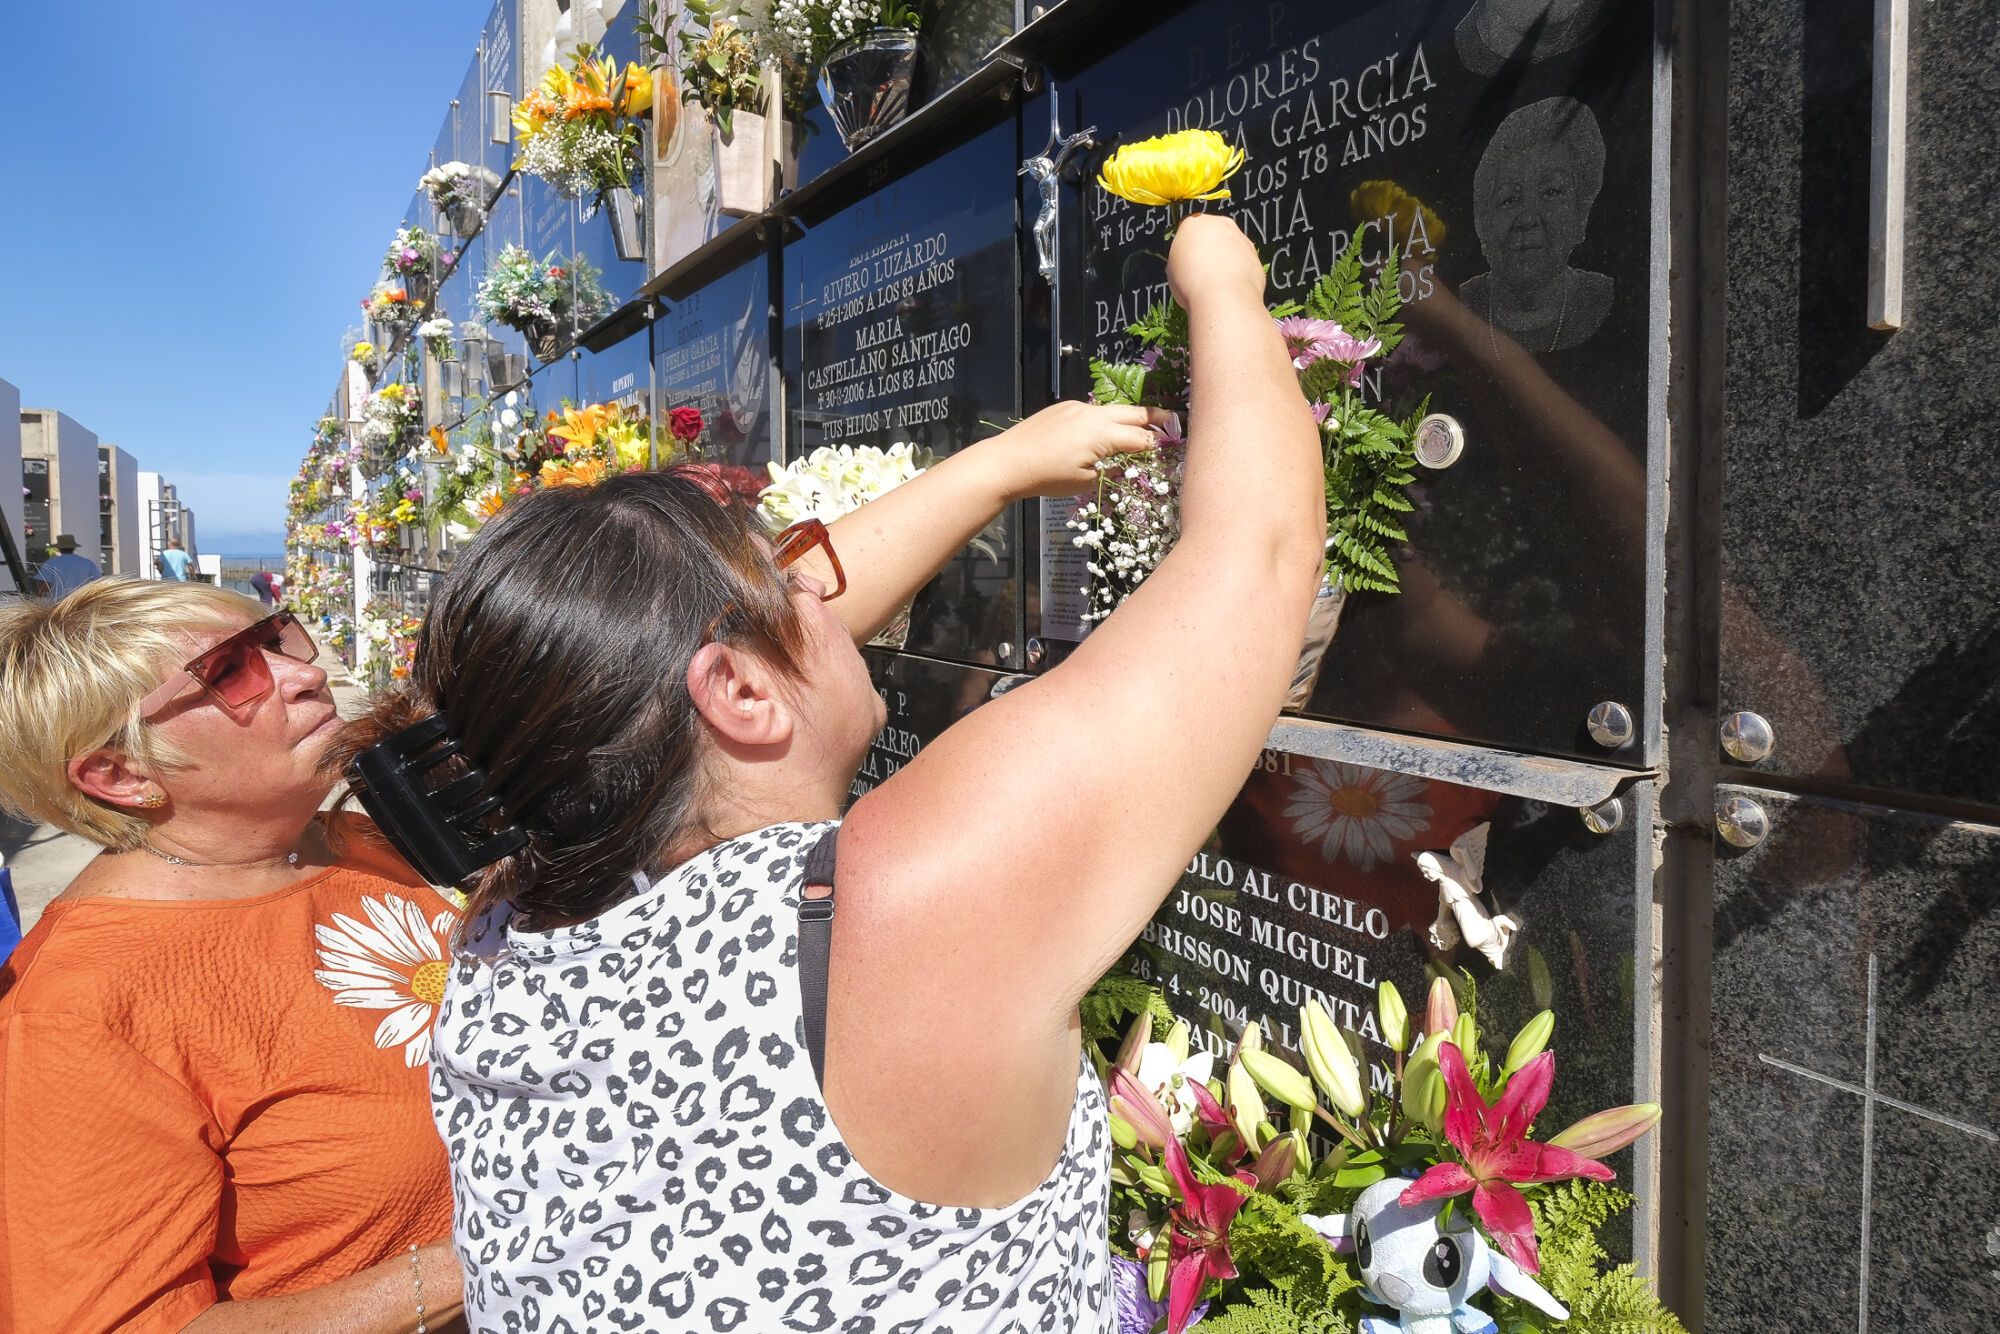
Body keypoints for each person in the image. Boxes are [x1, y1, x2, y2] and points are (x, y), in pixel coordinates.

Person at [335, 215, 1324, 1330]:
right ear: (740, 695)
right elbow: (1260, 553)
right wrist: (1219, 275)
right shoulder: (891, 909)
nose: (826, 585)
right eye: (785, 577)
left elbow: (706, 672)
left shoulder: (511, 903)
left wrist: (998, 466)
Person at [0, 581, 463, 1333]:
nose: (302, 672)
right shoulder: (81, 1010)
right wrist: (491, 1256)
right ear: (122, 776)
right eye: (228, 673)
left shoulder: (350, 841)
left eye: (276, 639)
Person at [1460, 97, 1613, 353]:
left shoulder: (1600, 299)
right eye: (1509, 198)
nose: (1527, 219)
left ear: (1581, 213)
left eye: (1551, 192)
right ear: (1483, 222)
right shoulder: (1461, 305)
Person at [36, 533, 100, 598]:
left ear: (59, 548)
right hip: (81, 602)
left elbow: (44, 587)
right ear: (74, 548)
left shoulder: (51, 563)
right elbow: (97, 583)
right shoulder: (87, 563)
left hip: (58, 603)